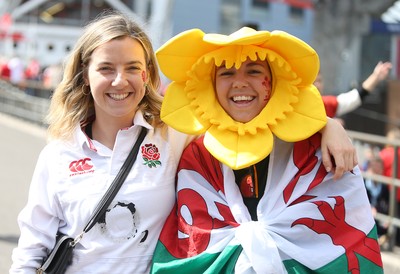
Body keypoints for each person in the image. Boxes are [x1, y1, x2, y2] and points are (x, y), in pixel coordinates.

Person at [10, 12, 357, 274]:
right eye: (105, 69)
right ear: (85, 76)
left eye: (132, 67)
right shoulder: (58, 153)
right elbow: (31, 248)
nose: (120, 81)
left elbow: (244, 124)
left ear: (147, 75)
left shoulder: (173, 134)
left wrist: (327, 125)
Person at [150, 27, 383, 273]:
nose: (240, 82)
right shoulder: (197, 156)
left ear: (276, 80)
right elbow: (190, 244)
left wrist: (328, 125)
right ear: (209, 84)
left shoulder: (315, 149)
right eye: (227, 73)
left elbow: (350, 238)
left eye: (254, 71)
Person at [314, 61, 392, 118]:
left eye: (319, 81)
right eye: (313, 82)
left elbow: (357, 96)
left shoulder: (326, 104)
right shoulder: (301, 105)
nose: (317, 85)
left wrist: (376, 76)